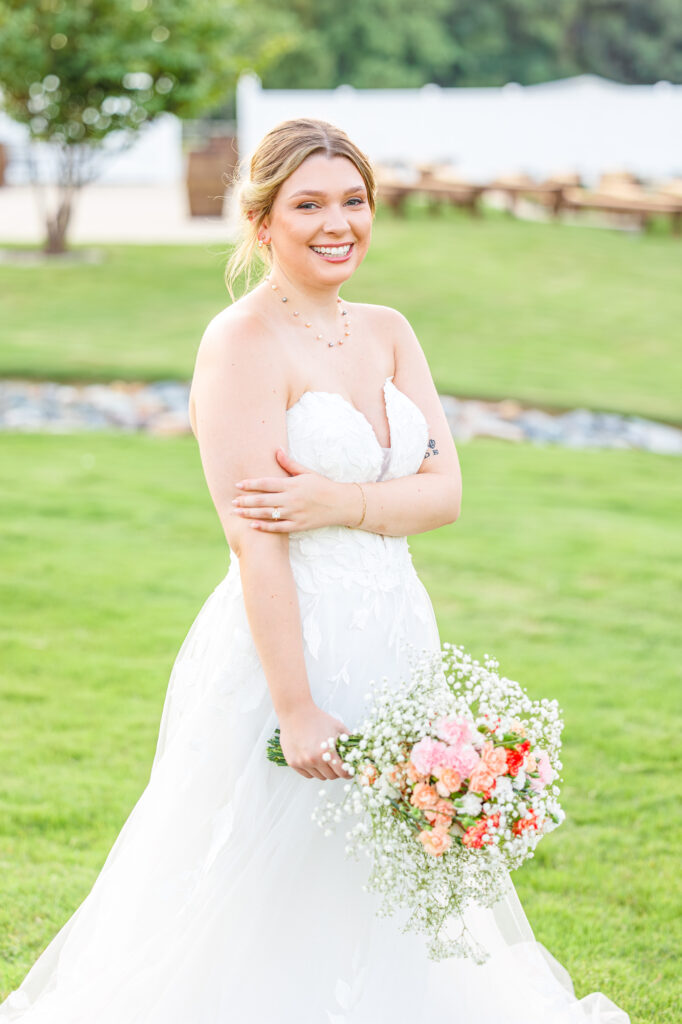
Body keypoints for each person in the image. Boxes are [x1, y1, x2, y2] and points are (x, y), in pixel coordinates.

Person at [0, 118, 630, 1023]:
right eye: (309, 205)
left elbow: (446, 492)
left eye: (353, 200)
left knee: (393, 866)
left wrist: (342, 504)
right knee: (271, 861)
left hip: (397, 630)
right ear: (262, 225)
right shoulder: (242, 342)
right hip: (288, 643)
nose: (339, 223)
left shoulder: (388, 331)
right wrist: (293, 707)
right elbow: (256, 538)